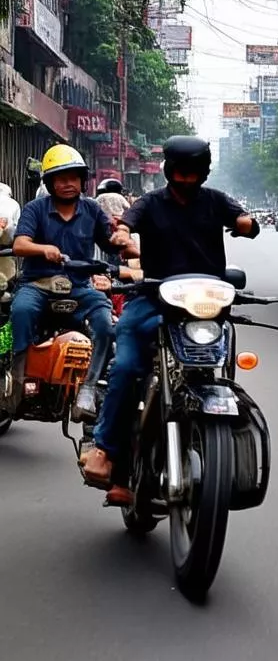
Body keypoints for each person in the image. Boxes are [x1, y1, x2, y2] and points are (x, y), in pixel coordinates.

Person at [81, 136, 260, 500]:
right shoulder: (149, 203)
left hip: (202, 305)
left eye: (193, 173)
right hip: (152, 299)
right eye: (181, 172)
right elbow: (126, 225)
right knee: (127, 366)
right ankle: (105, 450)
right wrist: (121, 233)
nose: (186, 180)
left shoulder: (216, 201)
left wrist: (246, 224)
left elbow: (243, 219)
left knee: (219, 363)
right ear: (169, 171)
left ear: (204, 172)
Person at [1, 145, 126, 418]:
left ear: (82, 181)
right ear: (50, 183)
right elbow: (21, 244)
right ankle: (18, 379)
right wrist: (43, 249)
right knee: (20, 311)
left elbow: (111, 245)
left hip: (79, 287)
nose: (67, 184)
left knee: (106, 323)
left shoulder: (92, 210)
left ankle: (89, 389)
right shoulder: (35, 209)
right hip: (37, 284)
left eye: (73, 177)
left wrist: (124, 238)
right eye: (60, 178)